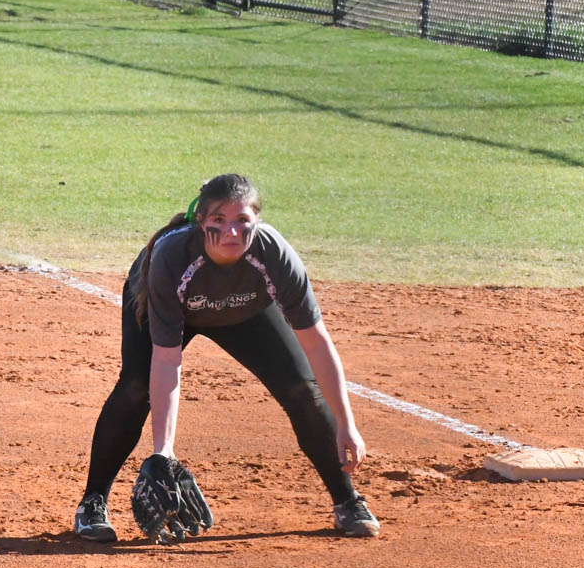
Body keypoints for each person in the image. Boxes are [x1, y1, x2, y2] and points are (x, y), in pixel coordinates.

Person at [74, 173, 380, 542]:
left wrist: (346, 423)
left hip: (245, 310)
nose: (231, 232)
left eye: (242, 221)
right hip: (174, 304)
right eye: (219, 221)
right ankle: (92, 505)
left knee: (302, 389)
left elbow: (317, 344)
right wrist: (164, 453)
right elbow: (167, 361)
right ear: (201, 222)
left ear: (257, 223)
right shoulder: (172, 257)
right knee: (137, 387)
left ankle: (347, 501)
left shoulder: (274, 254)